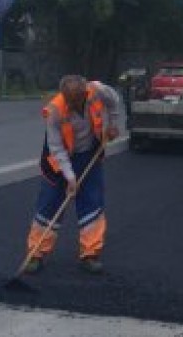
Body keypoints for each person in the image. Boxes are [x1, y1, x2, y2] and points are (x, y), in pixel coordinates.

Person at [25, 74, 125, 275]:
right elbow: (56, 148)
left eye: (76, 101)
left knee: (92, 202)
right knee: (49, 205)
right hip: (58, 161)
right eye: (69, 101)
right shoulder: (54, 110)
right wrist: (70, 178)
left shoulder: (98, 90)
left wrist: (113, 124)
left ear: (84, 94)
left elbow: (114, 101)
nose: (72, 105)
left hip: (89, 154)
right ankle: (36, 253)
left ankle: (90, 254)